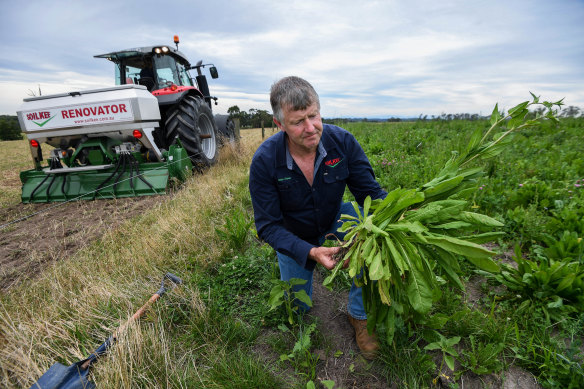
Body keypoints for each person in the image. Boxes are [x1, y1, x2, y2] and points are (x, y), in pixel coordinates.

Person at [249, 76, 387, 359]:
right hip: (293, 233)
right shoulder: (265, 160)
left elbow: (370, 194)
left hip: (335, 217)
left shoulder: (342, 142)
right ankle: (300, 291)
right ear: (280, 125)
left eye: (313, 115)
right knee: (297, 306)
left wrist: (397, 214)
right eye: (298, 121)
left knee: (373, 242)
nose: (310, 128)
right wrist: (310, 251)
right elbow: (268, 226)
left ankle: (359, 316)